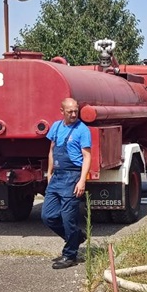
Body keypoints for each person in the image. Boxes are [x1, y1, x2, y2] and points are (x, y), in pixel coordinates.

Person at [42, 98, 91, 270]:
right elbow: (51, 150)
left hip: (73, 177)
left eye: (76, 111)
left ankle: (70, 255)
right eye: (70, 111)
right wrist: (49, 173)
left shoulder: (82, 130)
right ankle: (76, 237)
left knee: (68, 218)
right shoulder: (55, 127)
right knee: (48, 216)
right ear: (61, 111)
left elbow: (87, 157)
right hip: (57, 177)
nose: (73, 114)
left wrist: (82, 180)